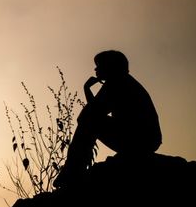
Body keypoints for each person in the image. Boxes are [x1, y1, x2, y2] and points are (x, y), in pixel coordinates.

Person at [54, 50, 162, 187]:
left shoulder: (117, 82)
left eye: (99, 65)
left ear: (110, 66)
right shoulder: (121, 81)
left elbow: (90, 115)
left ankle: (73, 171)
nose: (95, 69)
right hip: (142, 138)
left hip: (139, 139)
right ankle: (73, 169)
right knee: (89, 120)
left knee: (88, 121)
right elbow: (94, 112)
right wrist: (87, 90)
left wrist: (87, 89)